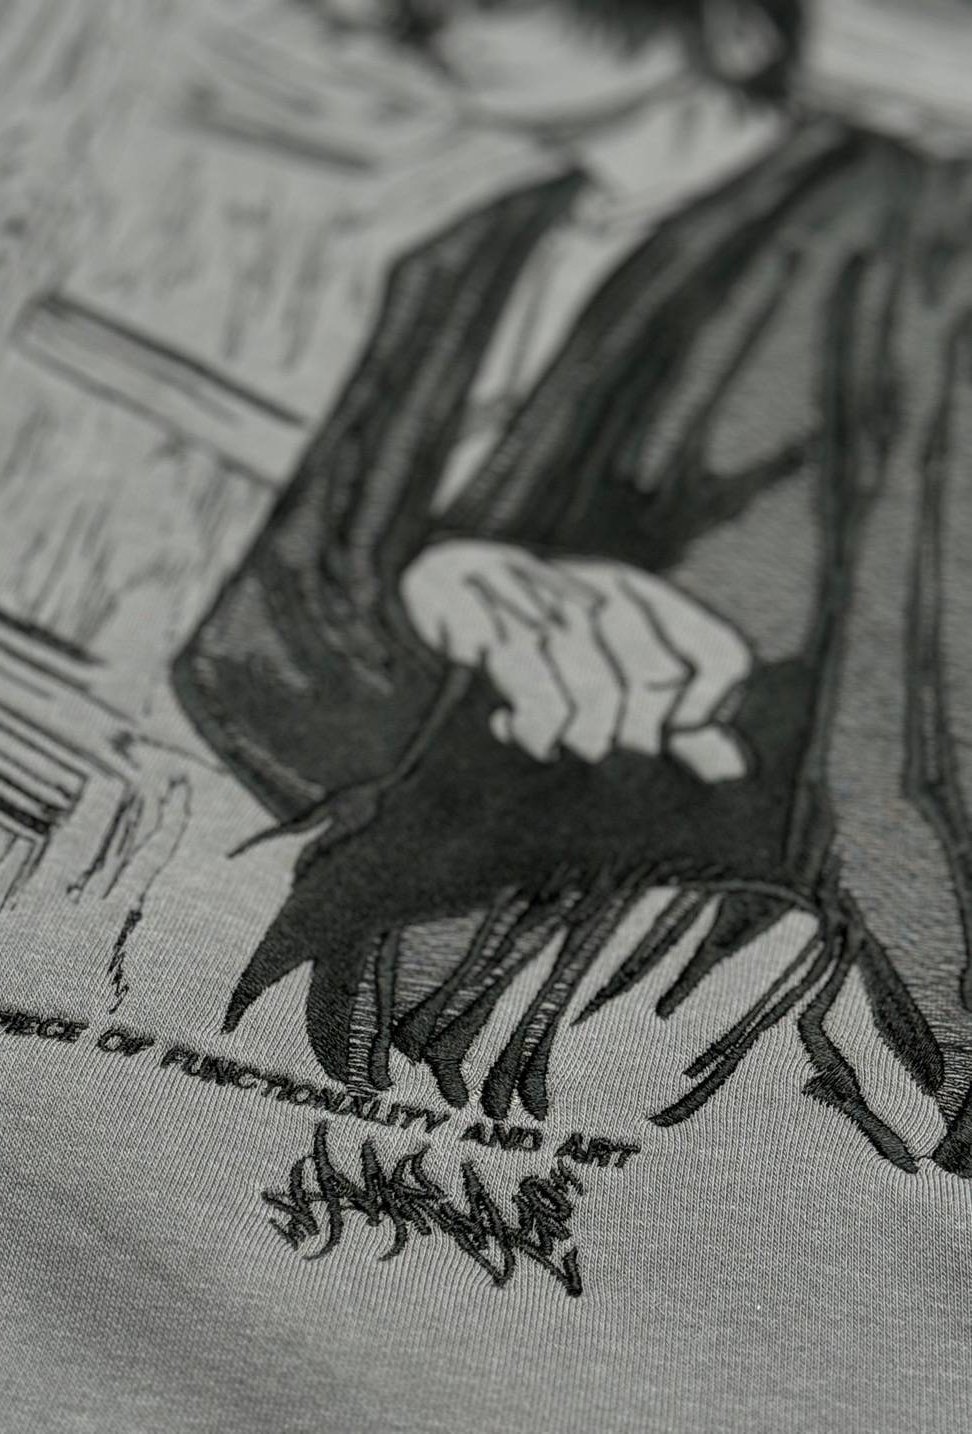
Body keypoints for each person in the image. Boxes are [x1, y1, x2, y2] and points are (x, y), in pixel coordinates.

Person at [173, 0, 972, 1176]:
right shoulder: (464, 260)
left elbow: (917, 619)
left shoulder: (917, 235)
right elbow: (261, 628)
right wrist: (438, 592)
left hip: (756, 956)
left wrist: (714, 633)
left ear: (726, 24)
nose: (432, 20)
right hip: (438, 900)